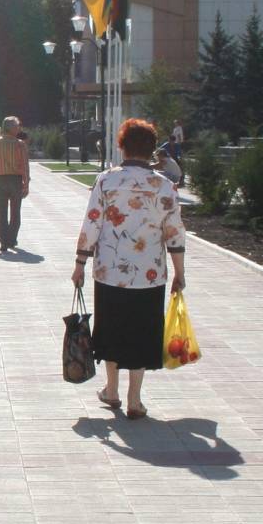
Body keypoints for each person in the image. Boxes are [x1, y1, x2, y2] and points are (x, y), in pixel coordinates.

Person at [71, 117, 186, 419]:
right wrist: (179, 272)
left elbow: (92, 222)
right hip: (150, 274)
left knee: (111, 329)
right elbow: (175, 232)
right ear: (151, 150)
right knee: (143, 331)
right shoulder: (165, 187)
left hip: (110, 271)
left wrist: (80, 263)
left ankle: (112, 390)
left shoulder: (107, 181)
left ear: (122, 147)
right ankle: (135, 399)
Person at [0, 115, 29, 252]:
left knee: (1, 212)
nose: (19, 128)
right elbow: (25, 166)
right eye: (17, 126)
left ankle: (4, 241)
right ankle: (11, 239)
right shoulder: (20, 145)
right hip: (15, 180)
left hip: (0, 180)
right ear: (10, 128)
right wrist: (26, 184)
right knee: (15, 212)